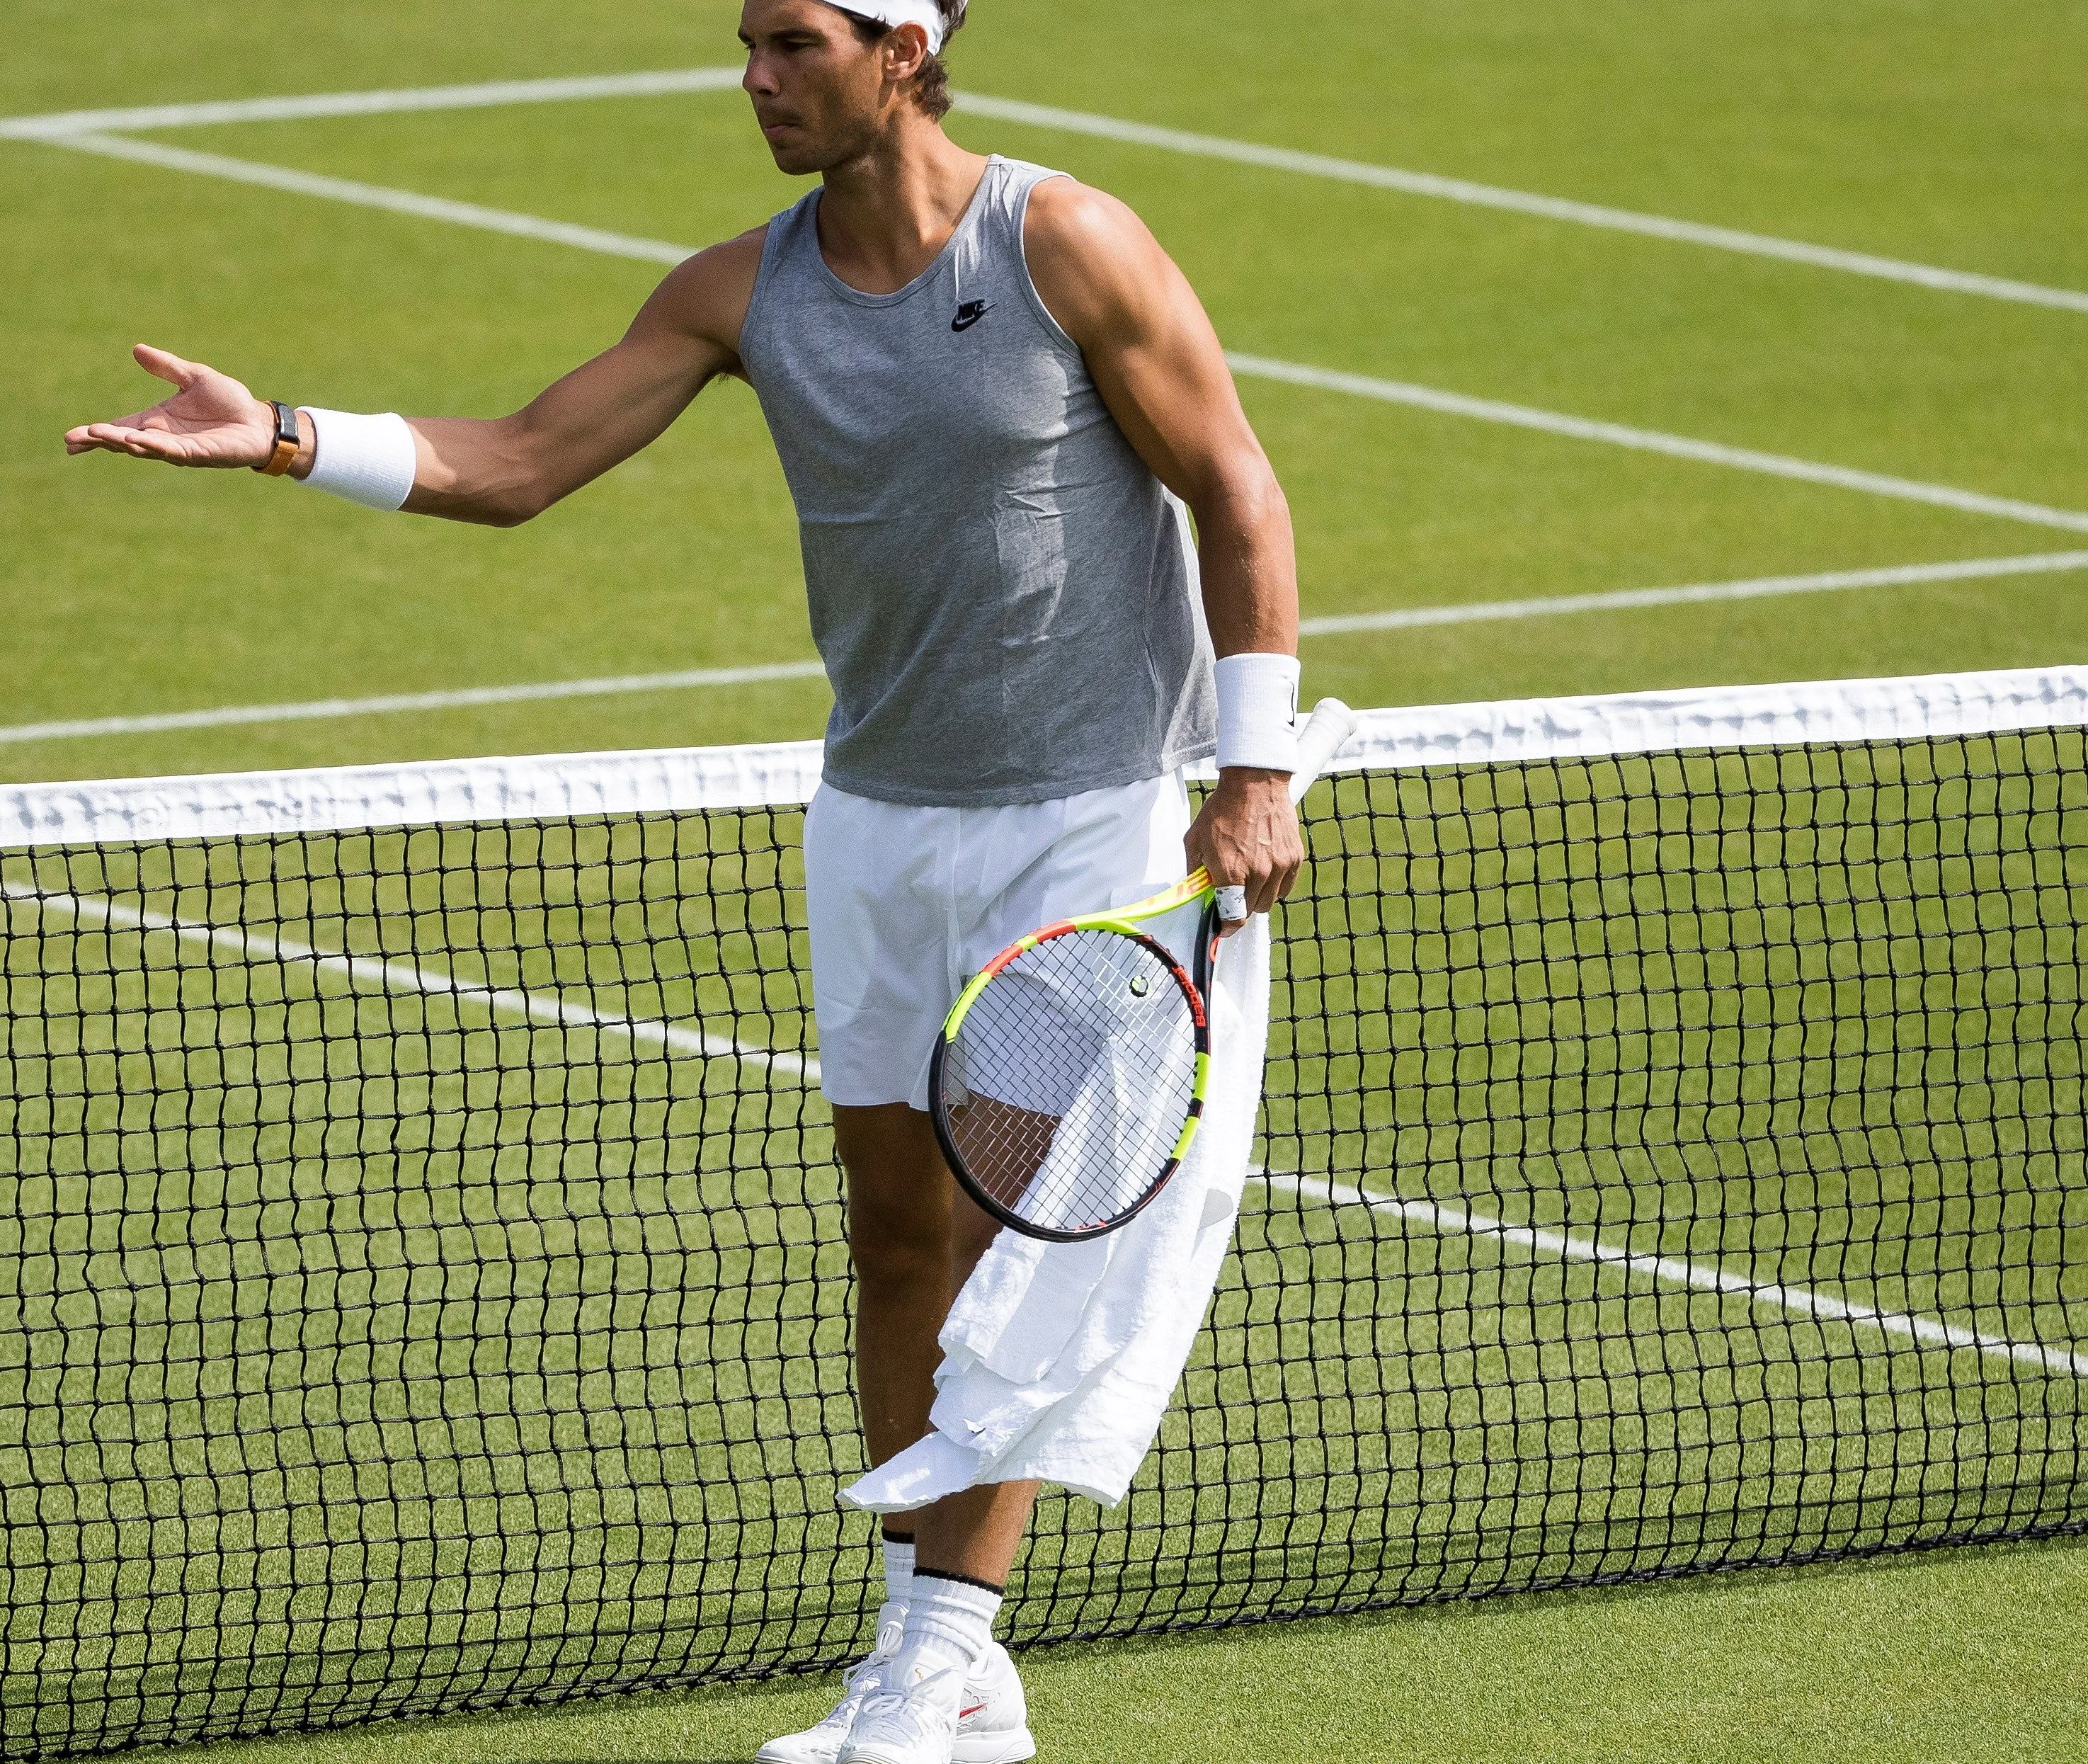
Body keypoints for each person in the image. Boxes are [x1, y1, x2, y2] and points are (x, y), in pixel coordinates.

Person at [64, 4, 1308, 1761]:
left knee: (1004, 1235)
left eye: (793, 41)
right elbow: (519, 462)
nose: (752, 77)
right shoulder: (739, 289)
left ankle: (945, 1646)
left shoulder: (1066, 243)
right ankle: (936, 1665)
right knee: (895, 1240)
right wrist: (276, 429)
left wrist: (1253, 767)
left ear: (902, 50)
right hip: (876, 818)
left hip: (1080, 827)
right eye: (745, 42)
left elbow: (1237, 487)